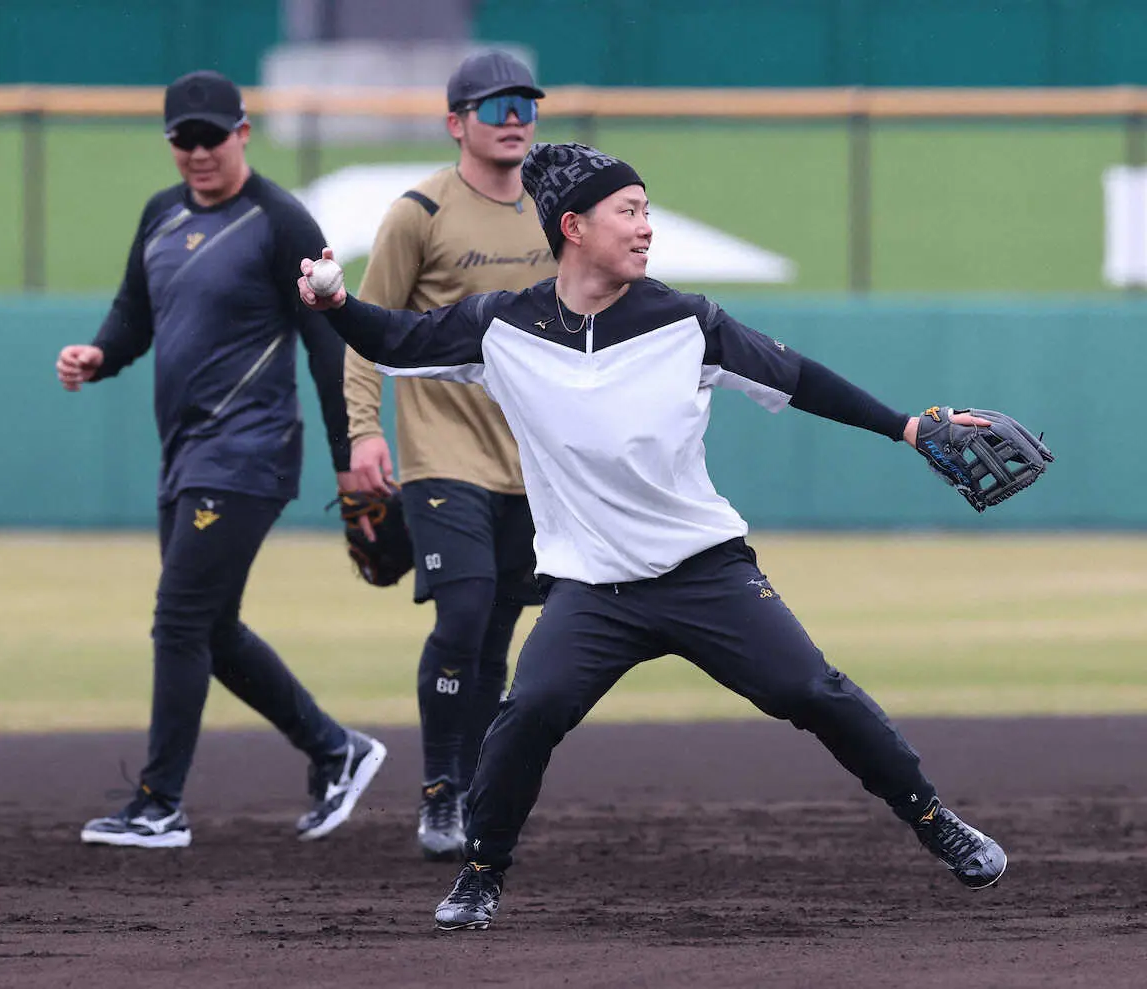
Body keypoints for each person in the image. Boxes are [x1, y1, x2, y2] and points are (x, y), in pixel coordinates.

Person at [297, 142, 1008, 929]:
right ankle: (480, 871)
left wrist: (907, 427)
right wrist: (333, 306)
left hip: (703, 570)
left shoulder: (685, 320)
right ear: (573, 225)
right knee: (528, 709)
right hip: (591, 587)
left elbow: (798, 376)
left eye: (646, 211)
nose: (645, 228)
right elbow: (394, 339)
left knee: (812, 689)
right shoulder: (500, 325)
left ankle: (937, 821)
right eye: (628, 212)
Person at [56, 70, 386, 849]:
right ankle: (338, 749)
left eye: (213, 136)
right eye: (184, 139)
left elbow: (324, 339)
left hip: (250, 449)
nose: (199, 151)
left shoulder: (281, 222)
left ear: (243, 133)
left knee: (178, 619)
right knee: (213, 627)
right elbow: (136, 312)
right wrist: (98, 354)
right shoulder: (160, 215)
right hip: (188, 452)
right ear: (170, 143)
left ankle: (157, 803)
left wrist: (349, 456)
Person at [340, 51, 553, 861]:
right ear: (456, 120)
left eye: (524, 104)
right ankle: (439, 792)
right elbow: (363, 325)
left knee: (497, 632)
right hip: (442, 454)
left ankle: (473, 789)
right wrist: (364, 429)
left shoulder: (557, 208)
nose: (513, 118)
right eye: (494, 104)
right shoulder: (419, 211)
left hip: (532, 463)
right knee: (461, 614)